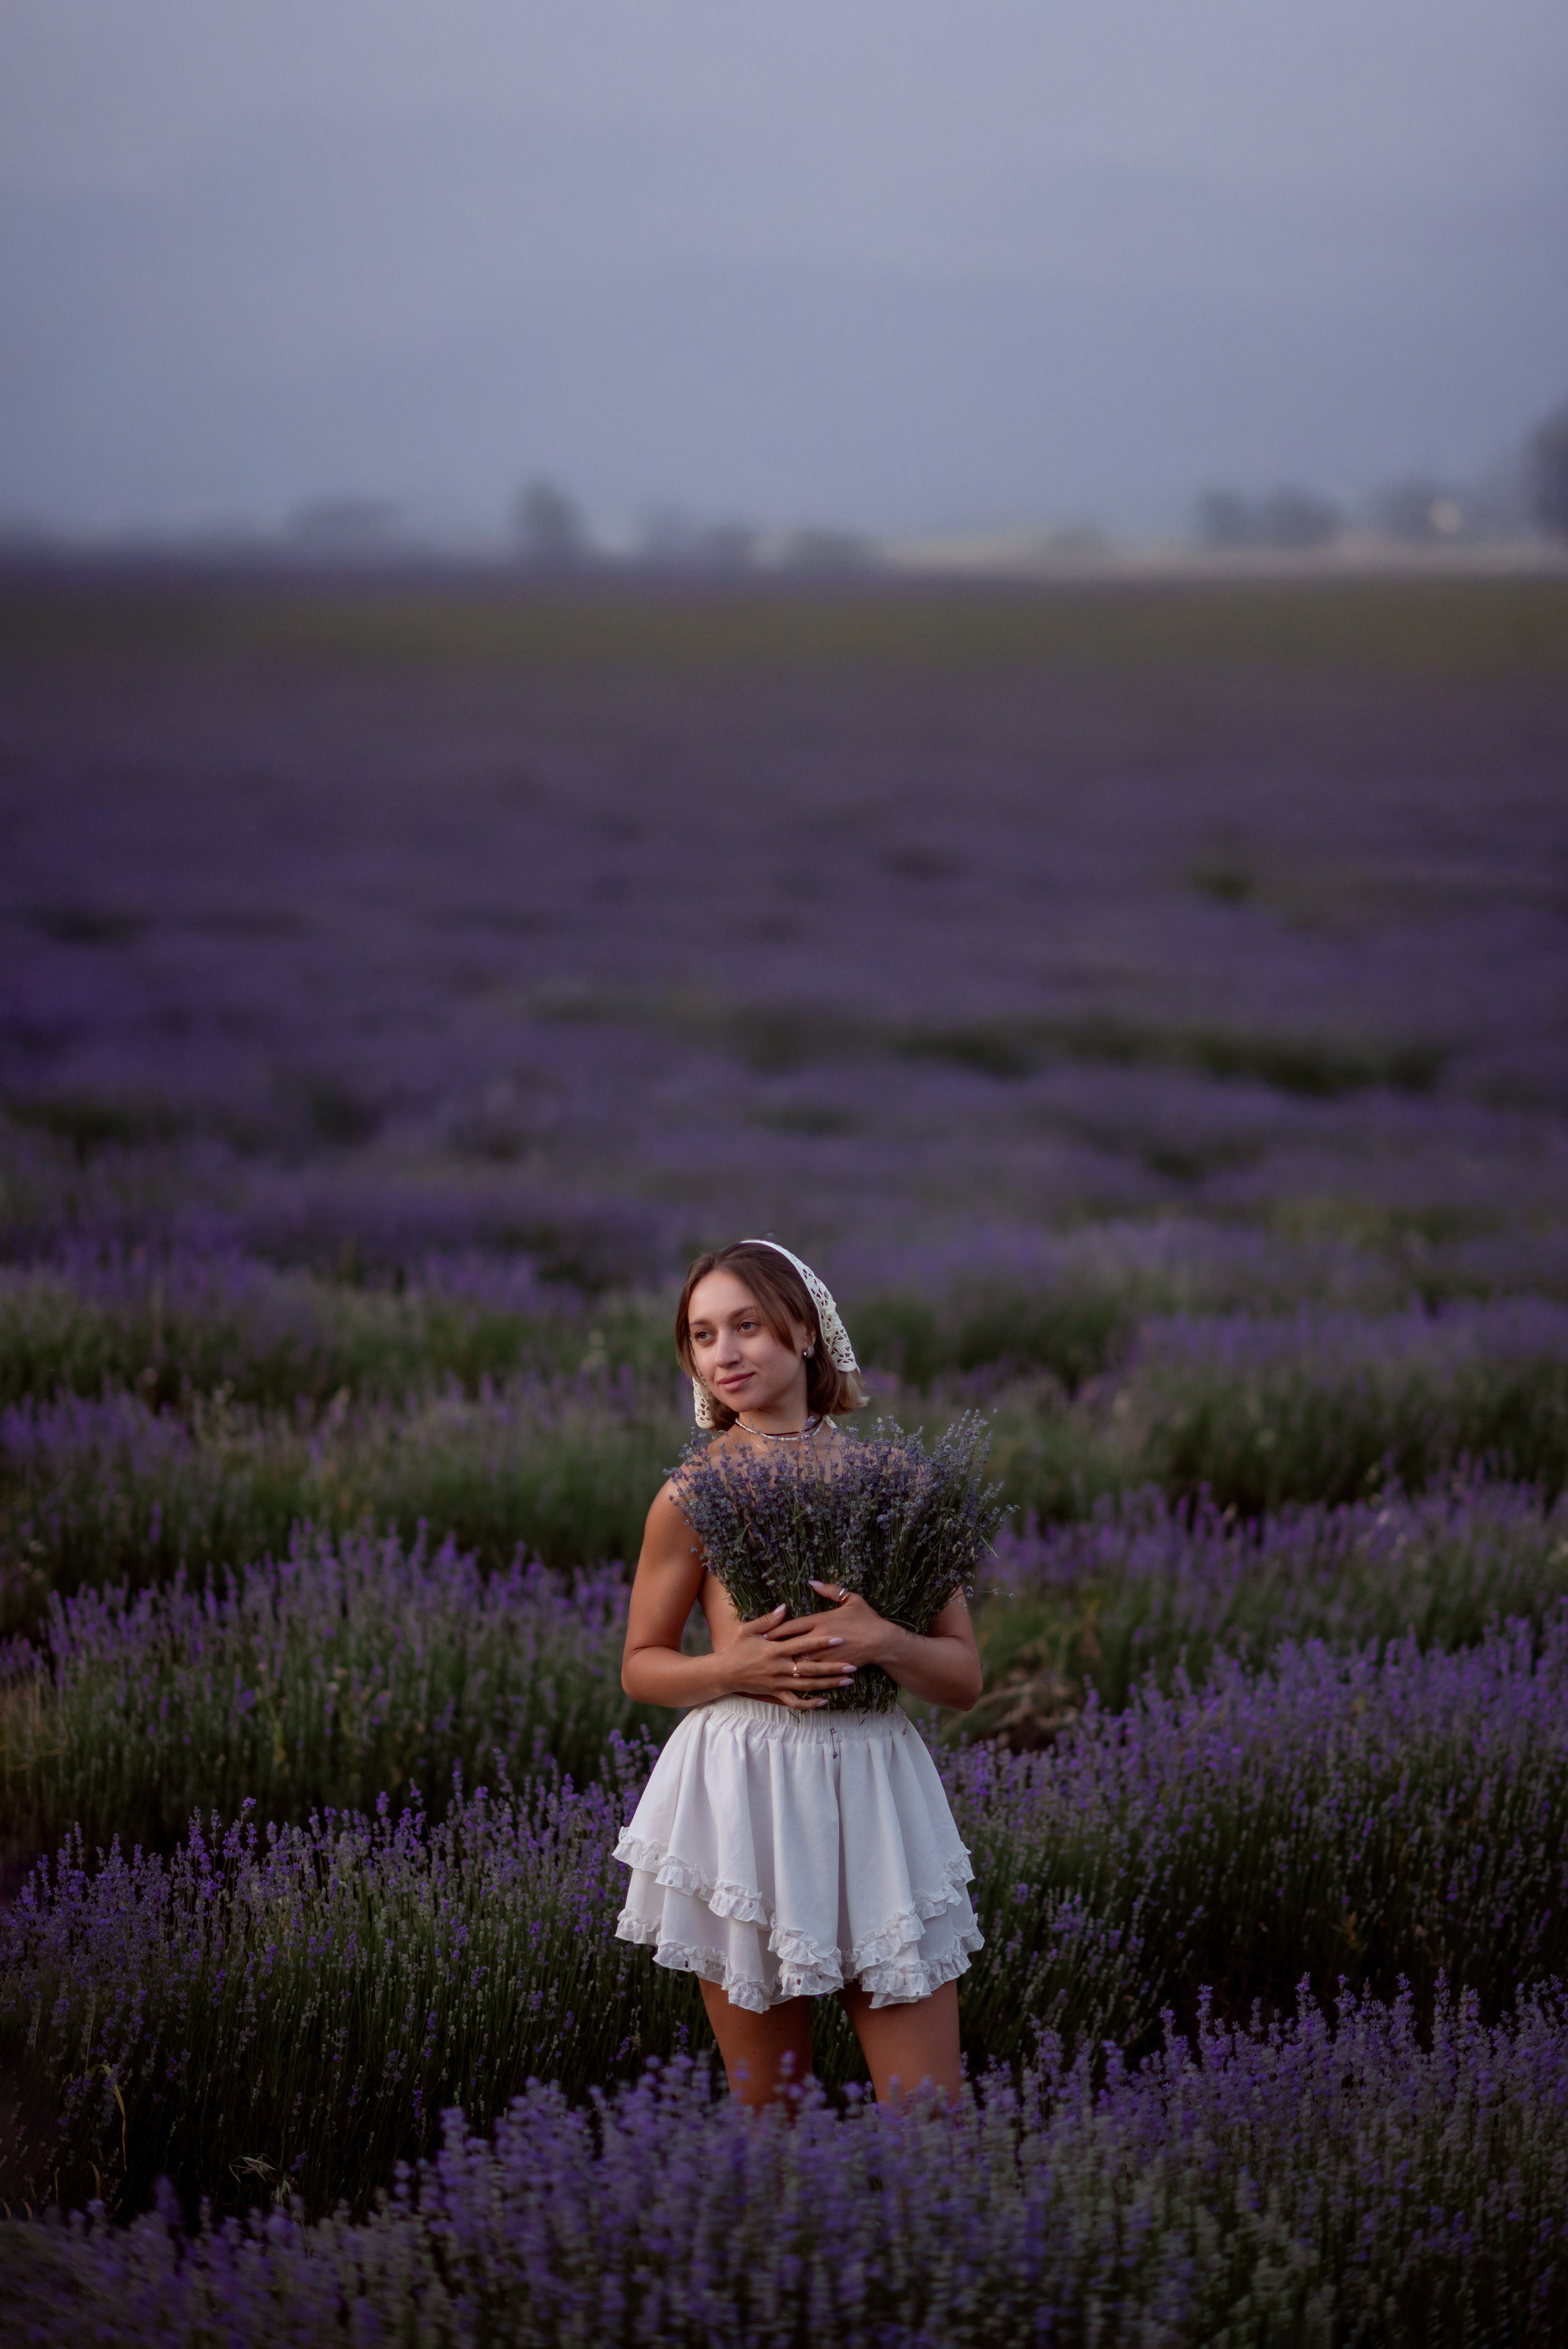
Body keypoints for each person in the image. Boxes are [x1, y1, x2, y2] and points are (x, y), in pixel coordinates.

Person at [616, 1239, 984, 2109]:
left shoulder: (898, 1483)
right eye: (704, 1335)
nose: (725, 1352)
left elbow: (963, 1679)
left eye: (747, 1325)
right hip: (743, 1789)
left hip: (874, 1787)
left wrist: (884, 1640)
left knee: (930, 2116)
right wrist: (731, 1668)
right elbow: (640, 1666)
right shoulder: (691, 1494)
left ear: (808, 1331)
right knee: (772, 2120)